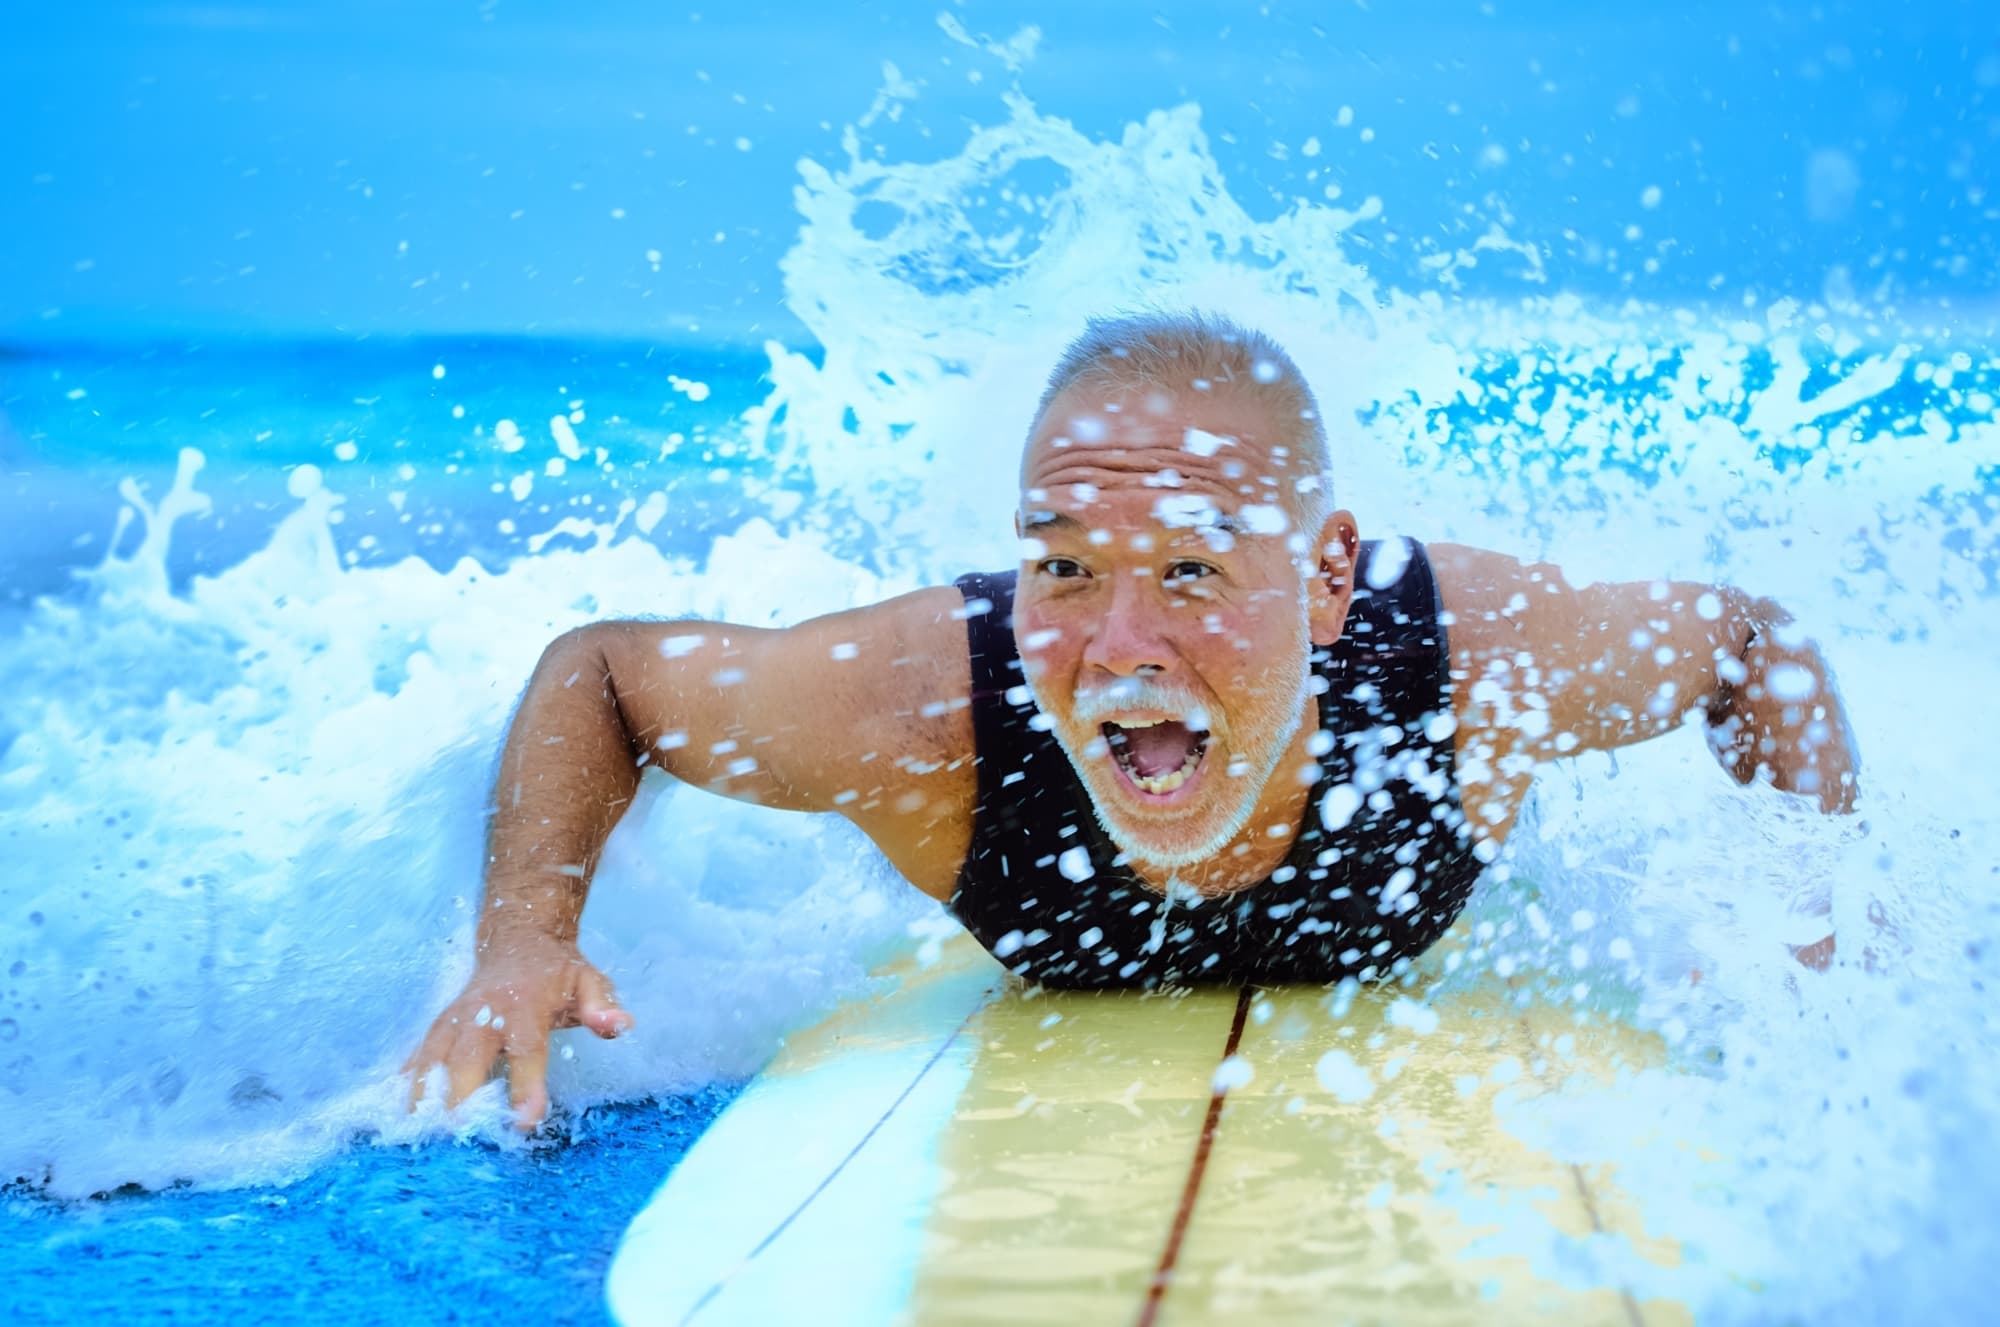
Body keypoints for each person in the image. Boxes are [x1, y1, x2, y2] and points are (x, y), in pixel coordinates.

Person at [404, 311, 1858, 1130]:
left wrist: (1806, 943)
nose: (1116, 647)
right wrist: (524, 938)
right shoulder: (928, 717)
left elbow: (1751, 645)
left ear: (1328, 577)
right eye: (1064, 568)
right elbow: (603, 675)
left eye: (1190, 571)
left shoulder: (1471, 675)